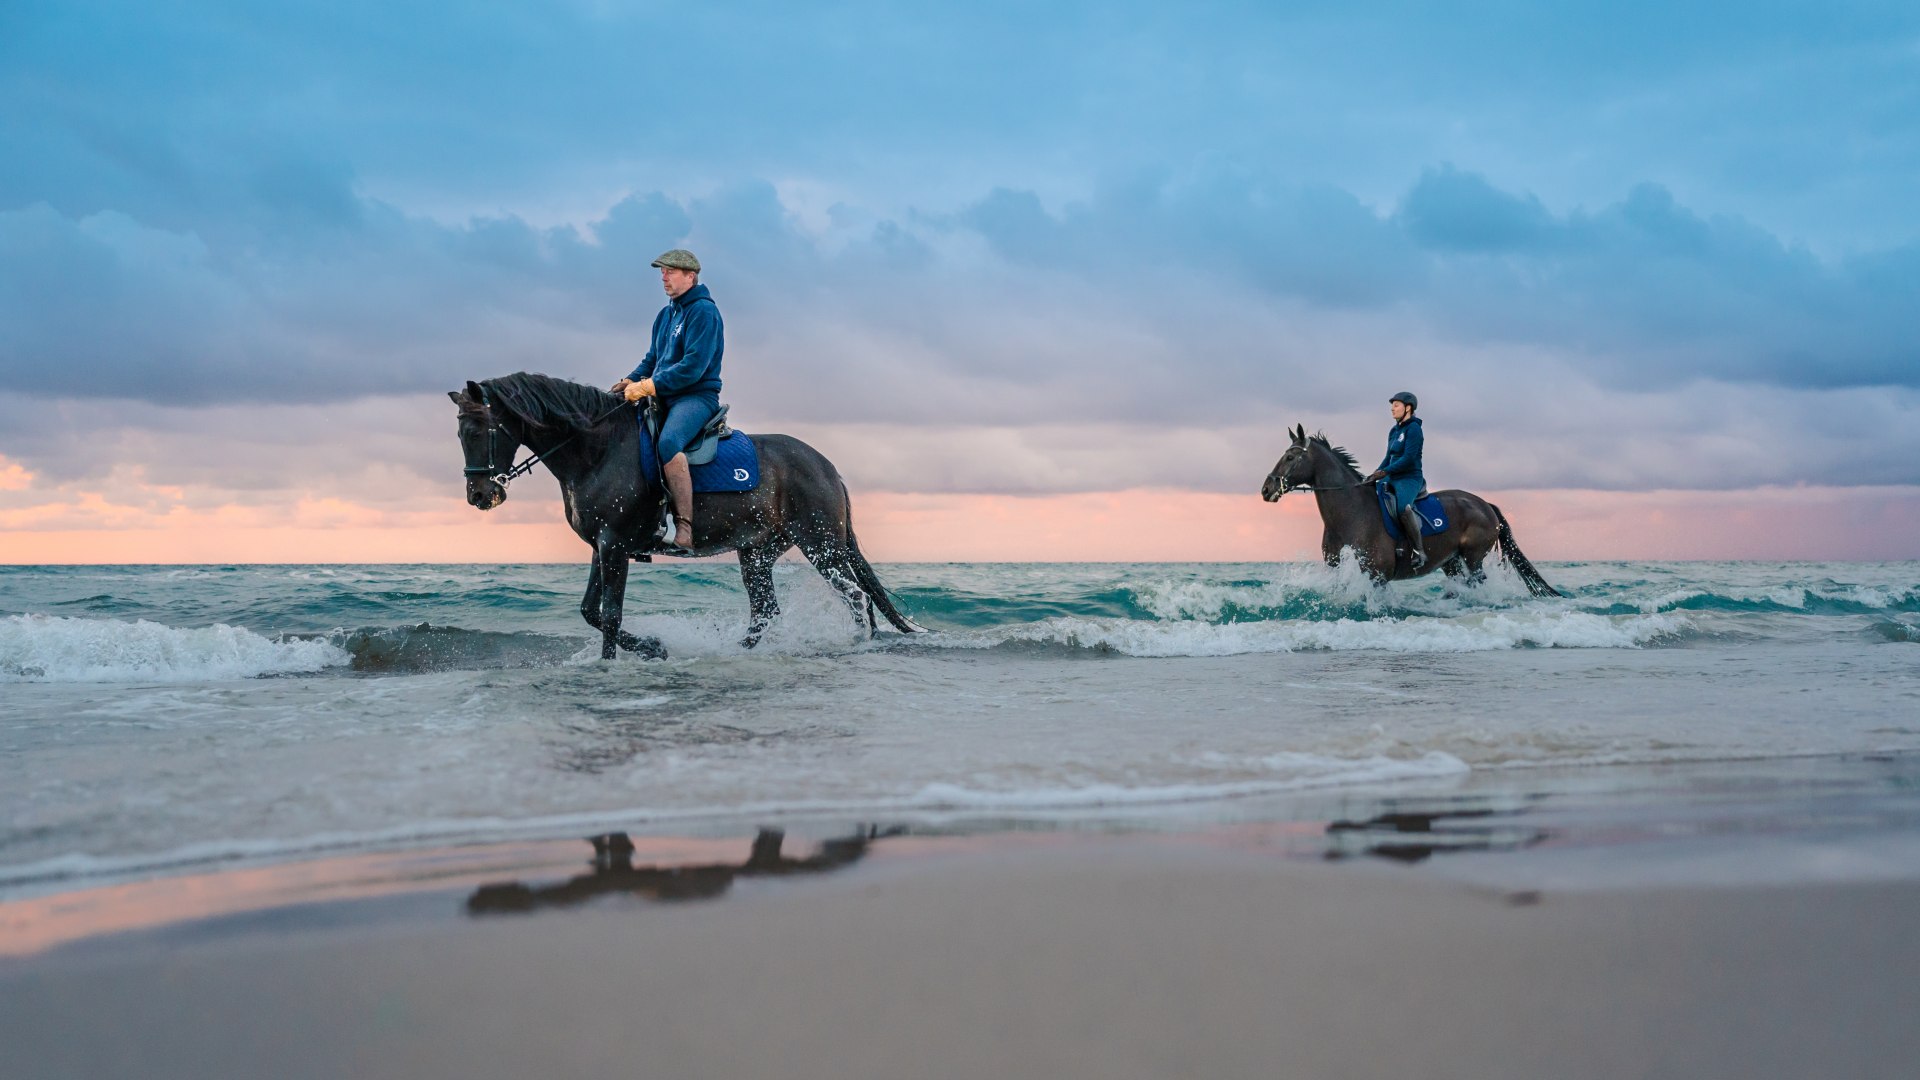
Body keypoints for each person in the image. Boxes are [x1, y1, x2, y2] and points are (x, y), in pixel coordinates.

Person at [610, 249, 723, 551]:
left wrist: (648, 387)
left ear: (690, 276)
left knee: (669, 442)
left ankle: (684, 526)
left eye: (670, 271)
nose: (663, 277)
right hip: (664, 395)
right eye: (662, 271)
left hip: (696, 397)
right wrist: (630, 380)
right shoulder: (666, 314)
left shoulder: (704, 312)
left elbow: (693, 367)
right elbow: (652, 360)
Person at [1365, 391, 1426, 569]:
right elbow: (1389, 457)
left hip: (1409, 477)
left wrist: (1385, 472)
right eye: (1392, 405)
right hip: (1391, 477)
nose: (1392, 409)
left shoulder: (1414, 429)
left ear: (1408, 408)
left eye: (1396, 405)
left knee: (1402, 508)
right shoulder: (1394, 430)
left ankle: (1418, 550)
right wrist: (1376, 473)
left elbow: (1408, 458)